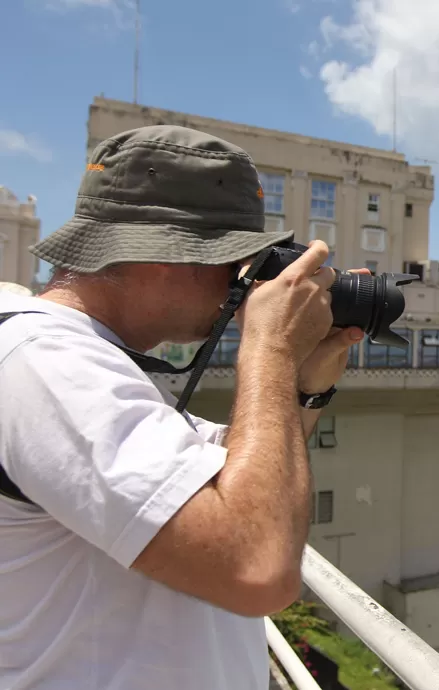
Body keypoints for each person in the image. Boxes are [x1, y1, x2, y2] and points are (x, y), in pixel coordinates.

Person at [0, 125, 366, 690]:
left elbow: (234, 474)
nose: (242, 285)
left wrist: (302, 387)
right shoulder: (51, 364)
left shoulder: (82, 360)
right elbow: (256, 568)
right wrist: (269, 350)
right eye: (234, 261)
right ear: (162, 255)